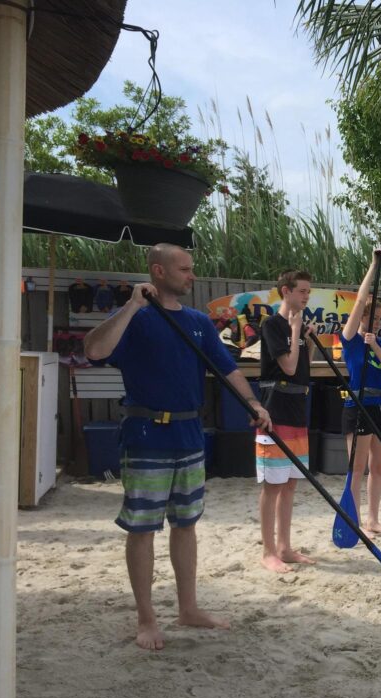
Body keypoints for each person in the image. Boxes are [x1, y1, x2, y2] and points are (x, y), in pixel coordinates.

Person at [84, 243, 271, 651]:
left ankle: (188, 608)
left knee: (186, 524)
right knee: (143, 527)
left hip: (189, 436)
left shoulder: (199, 323)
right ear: (158, 271)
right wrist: (131, 306)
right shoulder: (136, 319)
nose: (192, 276)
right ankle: (147, 618)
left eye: (192, 269)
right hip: (146, 435)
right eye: (184, 270)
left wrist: (253, 403)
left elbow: (228, 369)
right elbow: (94, 350)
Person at [255, 269, 318, 573]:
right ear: (285, 291)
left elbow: (304, 367)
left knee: (291, 483)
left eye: (308, 291)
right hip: (276, 410)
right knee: (272, 485)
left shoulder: (296, 326)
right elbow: (289, 368)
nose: (306, 296)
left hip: (297, 409)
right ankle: (268, 551)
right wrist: (295, 334)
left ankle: (285, 546)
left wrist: (306, 339)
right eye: (302, 291)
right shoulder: (273, 326)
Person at [340, 251, 381, 535]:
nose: (378, 322)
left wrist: (376, 343)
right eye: (373, 318)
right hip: (358, 404)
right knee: (357, 467)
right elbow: (361, 299)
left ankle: (373, 518)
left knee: (378, 466)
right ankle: (353, 518)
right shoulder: (350, 339)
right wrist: (375, 266)